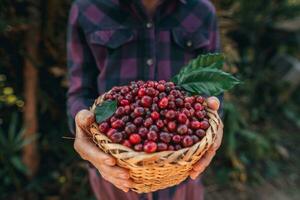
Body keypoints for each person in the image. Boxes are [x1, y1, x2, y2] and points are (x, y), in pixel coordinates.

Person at [67, 0, 223, 199]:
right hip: (115, 173)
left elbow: (212, 87)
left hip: (182, 175)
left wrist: (215, 125)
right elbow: (80, 91)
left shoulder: (201, 11)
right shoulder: (87, 8)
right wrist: (82, 127)